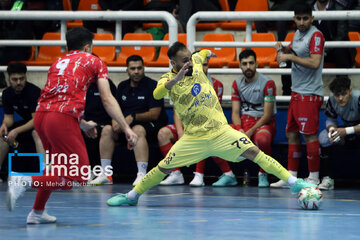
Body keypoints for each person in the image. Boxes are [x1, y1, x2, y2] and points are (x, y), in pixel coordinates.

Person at [106, 41, 316, 207]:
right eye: (183, 61)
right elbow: (157, 92)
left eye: (189, 58)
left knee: (255, 153)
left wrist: (208, 53)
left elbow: (202, 53)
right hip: (193, 139)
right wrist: (176, 79)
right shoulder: (166, 80)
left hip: (220, 132)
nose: (188, 62)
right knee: (163, 168)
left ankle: (294, 183)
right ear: (173, 63)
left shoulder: (195, 62)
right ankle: (132, 196)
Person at [5, 27, 138, 224]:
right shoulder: (94, 61)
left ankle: (37, 213)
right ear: (87, 47)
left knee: (56, 171)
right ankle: (24, 181)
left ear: (68, 46)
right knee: (79, 176)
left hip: (42, 117)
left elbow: (59, 98)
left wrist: (82, 124)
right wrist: (126, 128)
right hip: (61, 119)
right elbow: (107, 98)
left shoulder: (58, 62)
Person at [158, 57, 237, 187]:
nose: (202, 68)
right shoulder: (180, 82)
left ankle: (199, 174)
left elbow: (213, 112)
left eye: (205, 65)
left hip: (206, 124)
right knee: (163, 133)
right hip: (185, 125)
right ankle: (175, 174)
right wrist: (180, 131)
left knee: (204, 134)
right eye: (200, 65)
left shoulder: (217, 85)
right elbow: (177, 111)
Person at [271, 4, 325, 188]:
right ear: (294, 19)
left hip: (310, 94)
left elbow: (315, 62)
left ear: (311, 18)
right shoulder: (297, 34)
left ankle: (314, 178)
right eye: (298, 19)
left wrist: (290, 58)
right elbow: (294, 52)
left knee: (309, 136)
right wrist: (284, 50)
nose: (301, 22)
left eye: (305, 19)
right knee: (291, 134)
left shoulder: (316, 35)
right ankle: (291, 178)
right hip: (296, 92)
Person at [96, 55, 168, 186]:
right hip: (126, 128)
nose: (136, 71)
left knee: (137, 129)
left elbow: (154, 114)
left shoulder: (152, 85)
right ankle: (105, 174)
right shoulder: (122, 87)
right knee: (107, 130)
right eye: (133, 68)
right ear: (127, 70)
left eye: (139, 68)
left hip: (149, 128)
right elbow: (114, 109)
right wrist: (116, 125)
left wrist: (133, 117)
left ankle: (142, 174)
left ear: (143, 69)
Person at [231, 49, 277, 188]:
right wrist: (240, 130)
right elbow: (235, 112)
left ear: (257, 63)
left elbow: (267, 115)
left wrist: (249, 133)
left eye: (251, 63)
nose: (248, 67)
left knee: (262, 138)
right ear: (240, 65)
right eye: (244, 64)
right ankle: (227, 174)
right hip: (244, 123)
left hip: (262, 123)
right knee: (218, 134)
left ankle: (263, 173)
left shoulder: (268, 83)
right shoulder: (236, 83)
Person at [0, 62, 45, 182]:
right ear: (9, 80)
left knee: (37, 133)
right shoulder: (7, 94)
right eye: (15, 79)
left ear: (25, 77)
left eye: (21, 79)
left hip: (40, 124)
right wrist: (4, 125)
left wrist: (15, 131)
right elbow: (9, 118)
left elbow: (36, 121)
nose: (18, 82)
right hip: (24, 124)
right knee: (3, 136)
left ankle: (44, 172)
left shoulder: (34, 92)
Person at [318, 76, 360, 190]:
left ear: (350, 91)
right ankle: (328, 179)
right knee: (324, 138)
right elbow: (330, 119)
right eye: (337, 95)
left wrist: (346, 131)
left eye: (344, 94)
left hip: (354, 130)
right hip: (347, 130)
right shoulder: (331, 100)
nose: (340, 98)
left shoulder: (358, 98)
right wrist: (332, 130)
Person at [80, 78, 117, 185]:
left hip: (106, 122)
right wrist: (85, 125)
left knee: (104, 130)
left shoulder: (108, 84)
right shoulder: (83, 85)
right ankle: (87, 170)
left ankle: (105, 173)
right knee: (79, 131)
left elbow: (115, 106)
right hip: (88, 122)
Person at [312, 0, 355, 69]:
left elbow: (341, 35)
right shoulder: (308, 7)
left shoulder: (340, 9)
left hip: (332, 50)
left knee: (340, 49)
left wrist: (324, 49)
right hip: (312, 50)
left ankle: (342, 79)